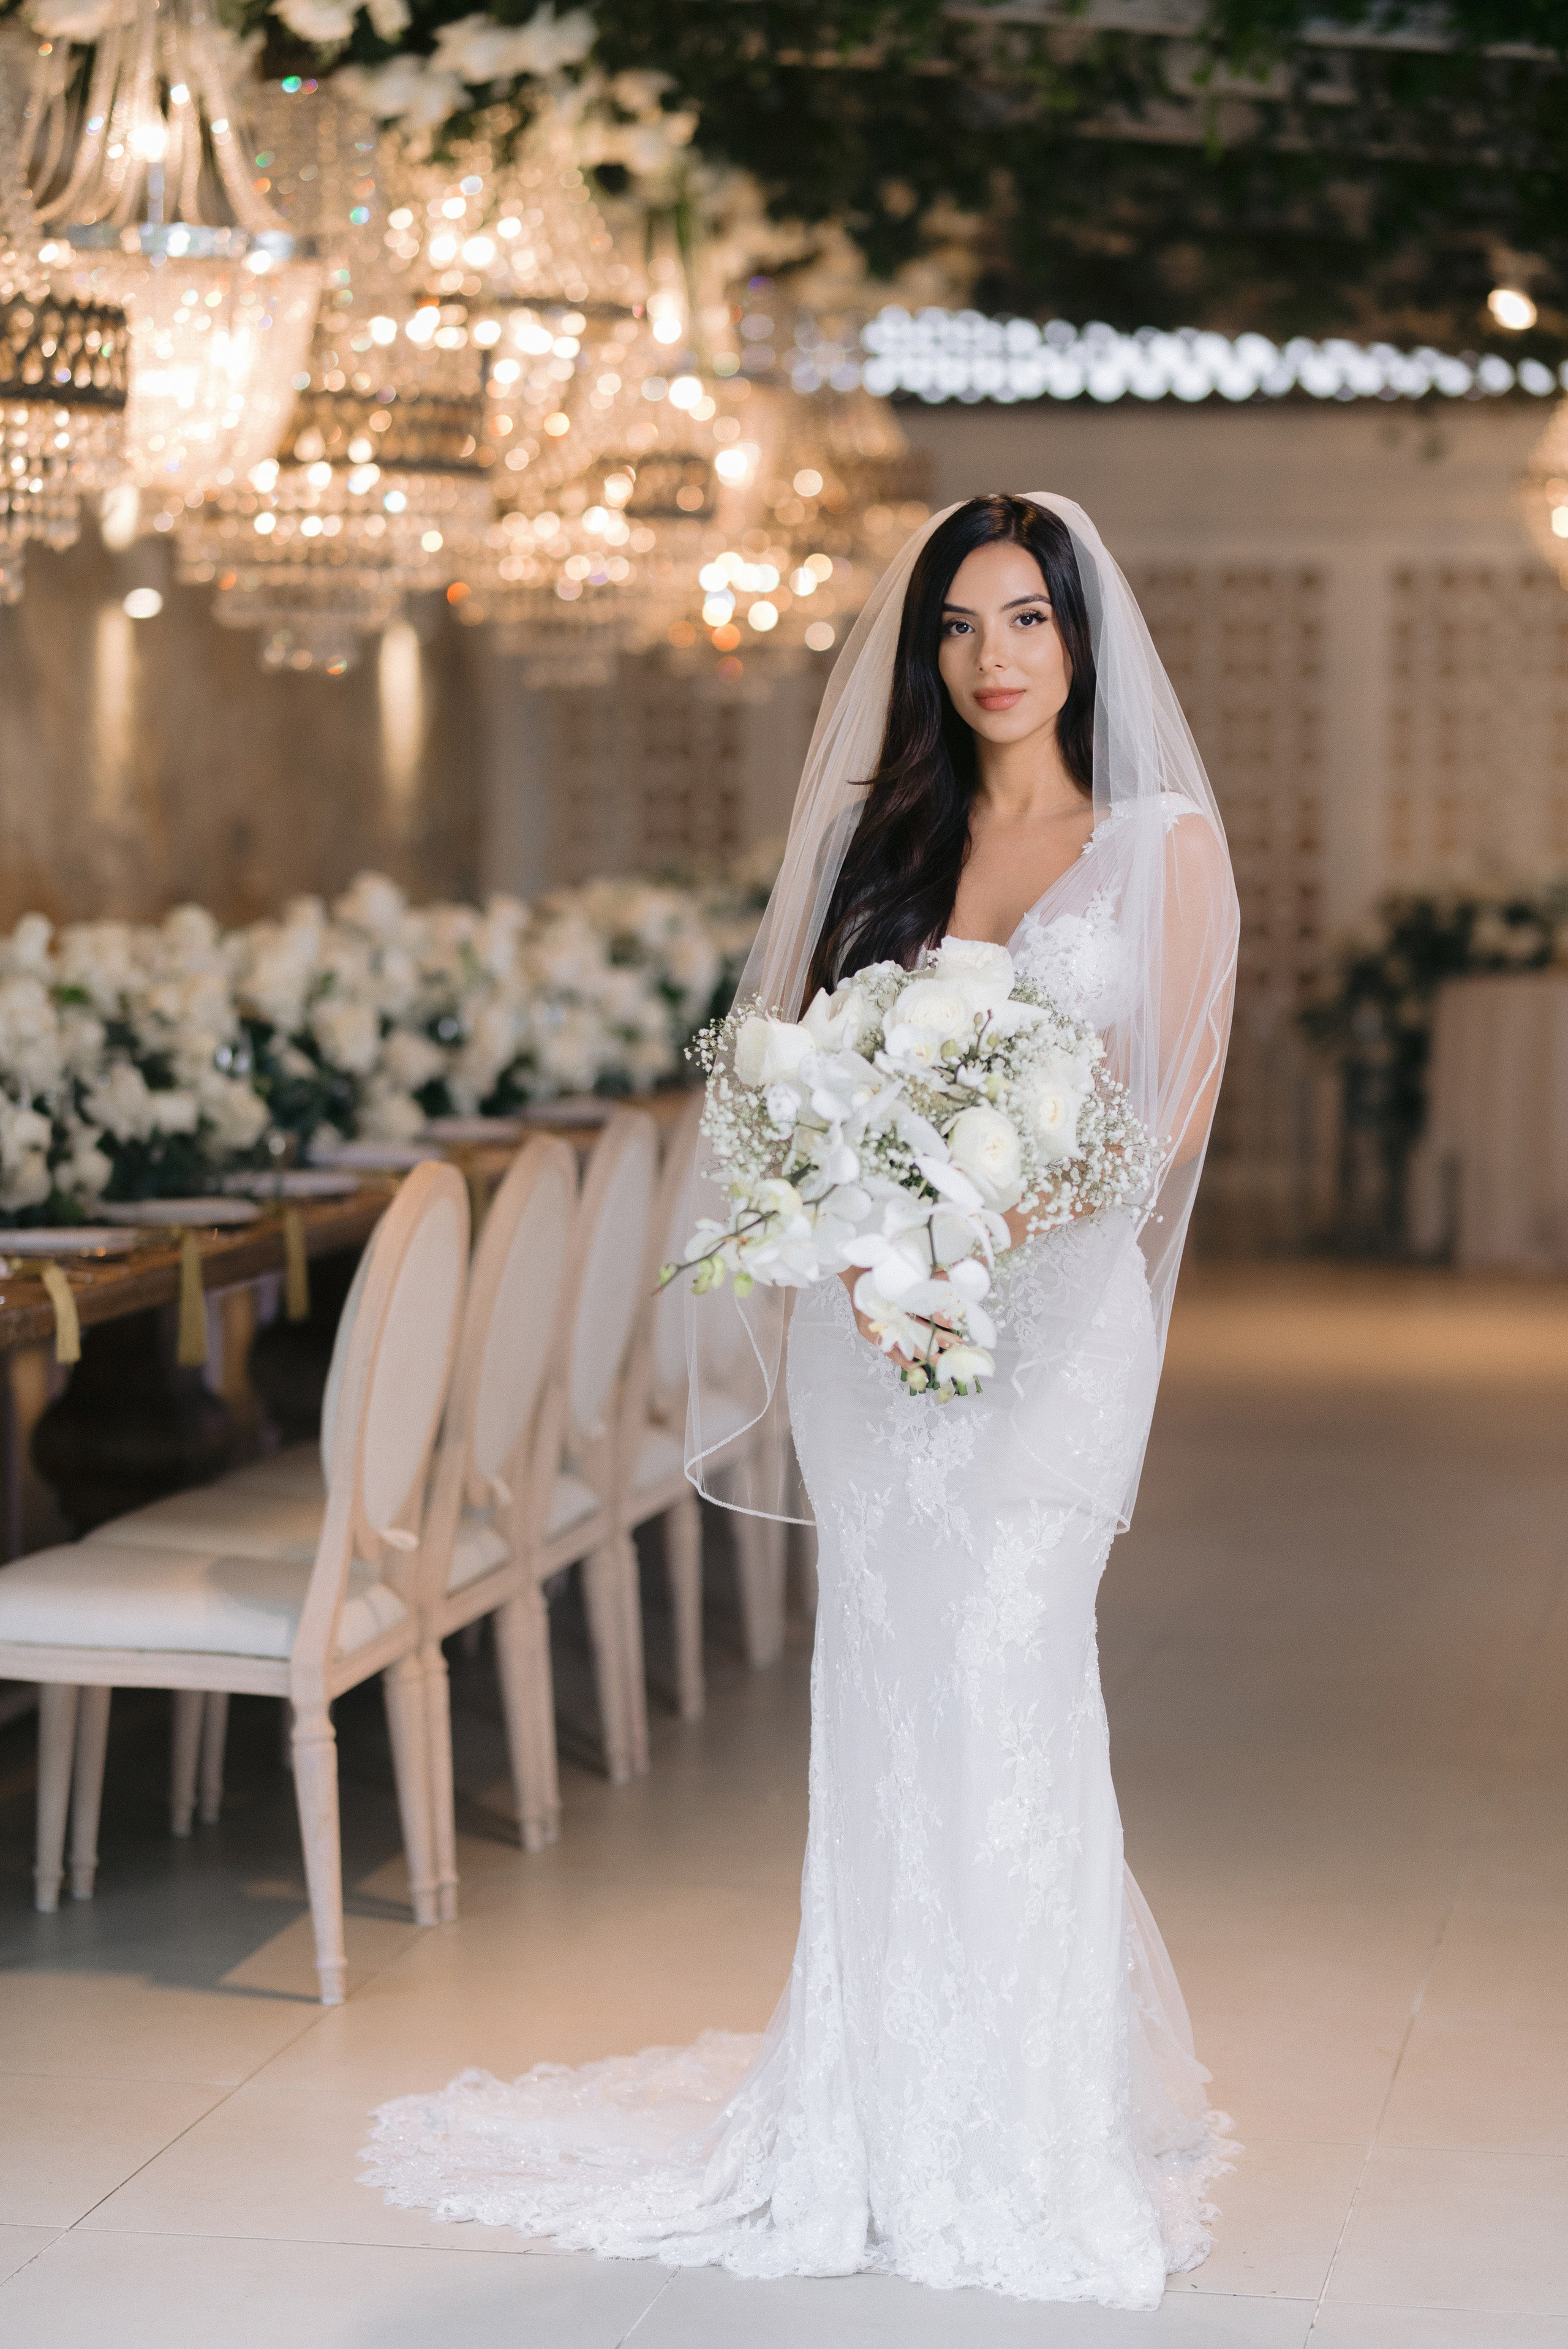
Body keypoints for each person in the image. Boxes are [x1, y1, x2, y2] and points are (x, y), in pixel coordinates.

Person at [361, 494, 1241, 2312]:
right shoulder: (883, 843)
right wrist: (857, 1238)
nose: (994, 660)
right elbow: (791, 1091)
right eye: (958, 629)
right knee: (889, 1691)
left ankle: (1030, 2137)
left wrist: (979, 1232)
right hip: (873, 1337)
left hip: (1050, 1332)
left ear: (1081, 641)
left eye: (1027, 621)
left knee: (1012, 1680)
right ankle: (872, 2110)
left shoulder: (1161, 848)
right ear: (925, 657)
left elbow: (1153, 1133)